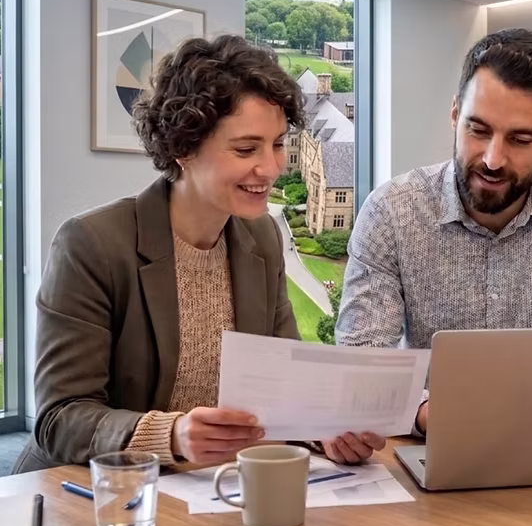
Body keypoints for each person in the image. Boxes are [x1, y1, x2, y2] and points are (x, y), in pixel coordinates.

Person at [13, 35, 382, 473]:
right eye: (246, 149)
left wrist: (321, 427)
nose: (271, 168)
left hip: (201, 492)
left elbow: (284, 383)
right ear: (183, 148)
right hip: (88, 495)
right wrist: (171, 435)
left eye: (278, 144)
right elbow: (60, 418)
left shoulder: (262, 237)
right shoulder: (91, 244)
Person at [335, 28, 532, 435]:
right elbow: (362, 363)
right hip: (432, 447)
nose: (494, 160)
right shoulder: (392, 211)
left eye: (520, 139)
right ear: (453, 114)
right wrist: (429, 413)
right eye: (478, 130)